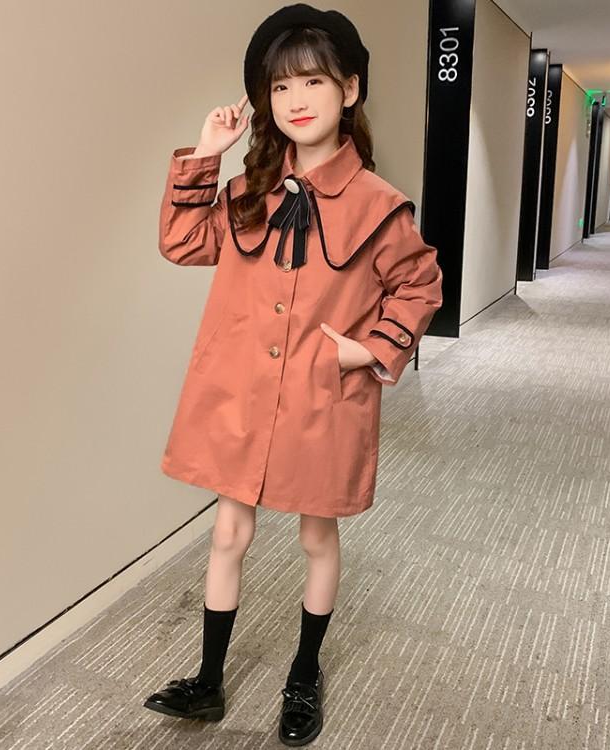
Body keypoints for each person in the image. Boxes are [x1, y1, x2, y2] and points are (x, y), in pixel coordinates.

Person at [143, 3, 443, 746]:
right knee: (228, 532)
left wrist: (365, 350)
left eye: (313, 81)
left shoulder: (380, 206)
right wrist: (207, 153)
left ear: (350, 89)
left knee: (317, 535)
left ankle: (304, 675)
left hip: (321, 399)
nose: (296, 100)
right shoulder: (249, 193)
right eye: (280, 87)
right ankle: (209, 680)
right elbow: (182, 243)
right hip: (242, 395)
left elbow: (420, 285)